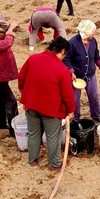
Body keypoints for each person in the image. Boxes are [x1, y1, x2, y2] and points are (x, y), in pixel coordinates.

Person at [18, 37, 75, 170]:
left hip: (31, 104)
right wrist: (71, 111)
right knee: (52, 137)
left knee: (33, 133)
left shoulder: (33, 58)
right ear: (62, 51)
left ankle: (33, 159)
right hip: (51, 109)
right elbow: (67, 95)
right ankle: (55, 163)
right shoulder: (62, 70)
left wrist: (25, 94)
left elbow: (21, 78)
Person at [63, 20, 100, 123]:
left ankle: (95, 115)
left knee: (94, 96)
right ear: (86, 34)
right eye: (92, 33)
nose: (94, 34)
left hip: (90, 74)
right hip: (76, 77)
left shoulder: (93, 41)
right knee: (74, 100)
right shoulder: (72, 43)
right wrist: (71, 72)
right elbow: (66, 59)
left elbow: (96, 54)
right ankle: (76, 118)